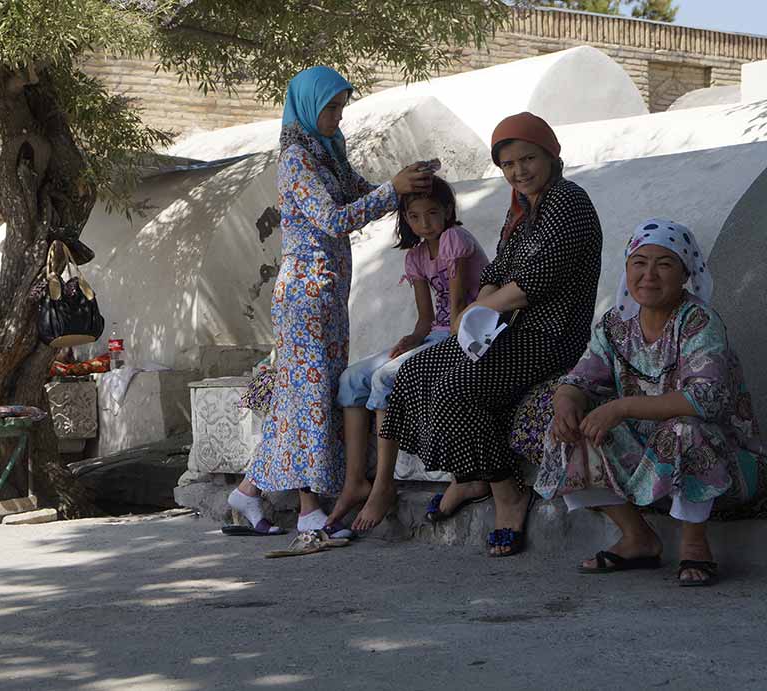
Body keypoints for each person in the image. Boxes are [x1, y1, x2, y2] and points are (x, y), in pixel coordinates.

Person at [378, 112, 603, 556]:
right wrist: (475, 309)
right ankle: (469, 476)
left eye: (528, 158)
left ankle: (507, 493)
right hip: (506, 330)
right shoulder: (523, 207)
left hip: (549, 334)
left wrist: (480, 309)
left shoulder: (568, 202)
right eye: (508, 164)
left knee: (458, 389)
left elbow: (539, 279)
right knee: (413, 375)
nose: (519, 171)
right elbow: (499, 267)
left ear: (550, 155)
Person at [224, 65, 433, 540]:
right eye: (331, 108)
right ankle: (309, 509)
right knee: (312, 397)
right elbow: (334, 220)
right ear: (307, 107)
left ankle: (248, 491)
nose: (338, 117)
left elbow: (363, 194)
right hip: (305, 294)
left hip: (329, 292)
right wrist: (392, 191)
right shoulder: (296, 159)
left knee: (300, 395)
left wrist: (410, 187)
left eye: (341, 108)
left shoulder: (328, 152)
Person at [535, 219, 767, 586]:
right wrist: (566, 401)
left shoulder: (698, 322)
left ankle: (694, 544)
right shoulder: (615, 324)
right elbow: (580, 379)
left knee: (683, 430)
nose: (649, 275)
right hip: (649, 462)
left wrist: (621, 407)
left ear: (685, 273)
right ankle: (637, 537)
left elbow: (704, 398)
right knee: (570, 428)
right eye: (639, 263)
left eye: (664, 264)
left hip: (726, 466)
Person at [326, 176, 489, 533]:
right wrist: (410, 340)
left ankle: (383, 484)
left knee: (386, 377)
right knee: (352, 378)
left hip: (466, 334)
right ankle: (355, 481)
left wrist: (417, 353)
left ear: (448, 211)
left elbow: (458, 311)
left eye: (432, 213)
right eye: (414, 216)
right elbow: (426, 319)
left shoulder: (455, 239)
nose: (425, 223)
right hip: (435, 335)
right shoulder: (415, 257)